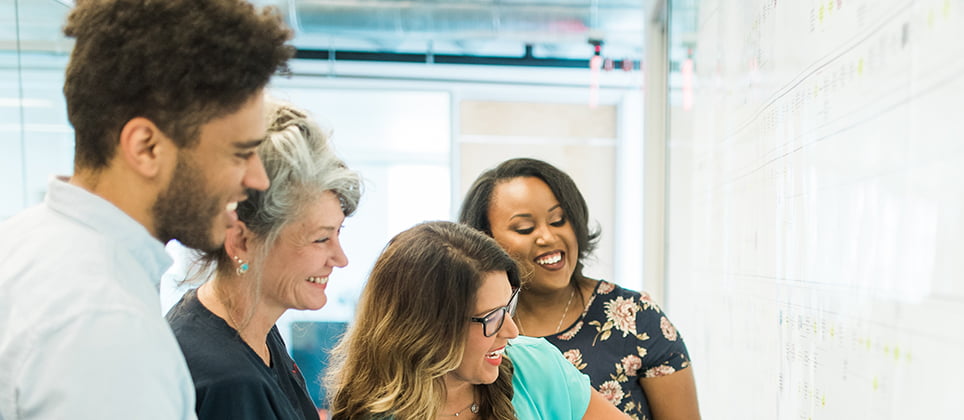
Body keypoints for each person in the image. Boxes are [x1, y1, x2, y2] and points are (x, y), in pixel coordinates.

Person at [0, 1, 293, 419]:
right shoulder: (109, 328)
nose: (257, 178)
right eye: (239, 153)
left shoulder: (23, 245)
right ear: (146, 148)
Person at [458, 158, 701, 420]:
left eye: (558, 221)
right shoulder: (469, 329)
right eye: (525, 228)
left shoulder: (636, 317)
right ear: (483, 239)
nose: (548, 237)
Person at [166, 99, 362, 420]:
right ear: (241, 242)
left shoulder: (253, 332)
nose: (340, 259)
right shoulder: (230, 383)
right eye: (320, 239)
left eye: (338, 233)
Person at [325, 221, 630, 420]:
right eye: (491, 317)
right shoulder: (370, 413)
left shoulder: (536, 367)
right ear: (426, 330)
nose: (511, 331)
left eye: (508, 306)